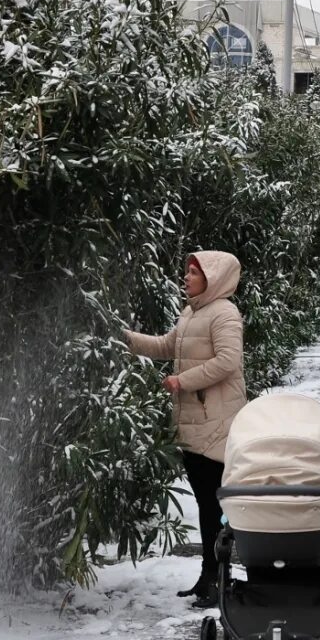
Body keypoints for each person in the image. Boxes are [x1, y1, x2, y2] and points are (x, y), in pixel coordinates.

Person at [124, 251, 247, 608]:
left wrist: (183, 381)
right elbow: (168, 345)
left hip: (217, 423)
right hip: (193, 424)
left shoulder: (224, 313)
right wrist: (127, 340)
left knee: (215, 505)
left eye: (194, 272)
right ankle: (210, 576)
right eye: (187, 272)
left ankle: (219, 578)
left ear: (213, 278)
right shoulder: (192, 312)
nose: (186, 277)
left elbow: (228, 361)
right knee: (206, 504)